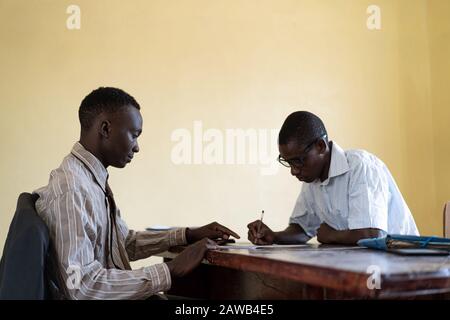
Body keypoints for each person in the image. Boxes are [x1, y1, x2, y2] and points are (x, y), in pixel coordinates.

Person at [34, 87, 239, 299]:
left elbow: (122, 243)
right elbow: (81, 287)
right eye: (134, 135)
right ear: (105, 129)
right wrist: (169, 269)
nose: (137, 147)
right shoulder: (73, 189)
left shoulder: (90, 180)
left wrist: (186, 234)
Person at [247, 111, 419, 246]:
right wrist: (274, 236)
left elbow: (371, 234)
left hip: (402, 266)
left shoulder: (360, 167)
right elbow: (302, 228)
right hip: (363, 266)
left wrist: (331, 235)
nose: (293, 171)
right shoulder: (311, 178)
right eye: (288, 162)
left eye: (298, 161)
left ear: (320, 146)